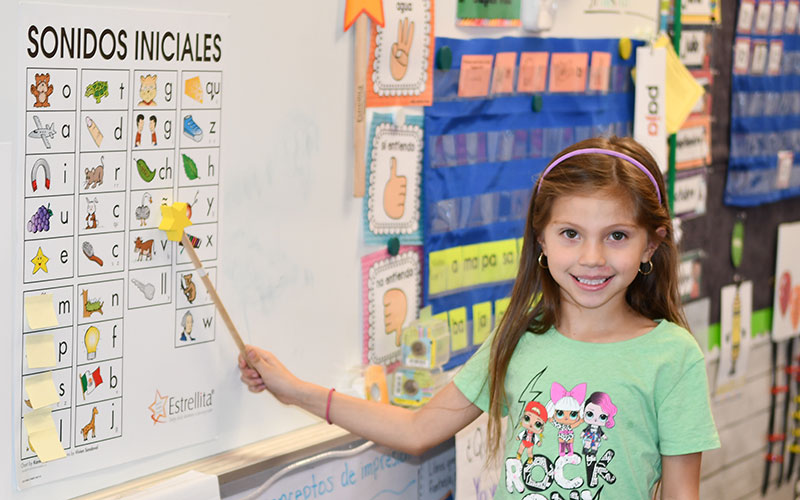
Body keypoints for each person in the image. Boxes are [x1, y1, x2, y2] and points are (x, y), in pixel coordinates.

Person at [239, 136, 719, 499]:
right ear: (542, 240)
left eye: (616, 236)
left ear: (650, 245)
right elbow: (416, 429)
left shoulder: (672, 357)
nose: (591, 257)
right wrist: (295, 390)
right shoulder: (519, 338)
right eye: (571, 233)